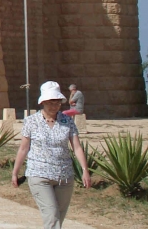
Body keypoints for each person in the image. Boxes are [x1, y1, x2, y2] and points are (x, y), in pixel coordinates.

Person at [12, 81, 92, 229]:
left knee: (57, 218)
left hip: (64, 176)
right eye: (51, 102)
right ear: (43, 102)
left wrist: (85, 171)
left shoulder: (67, 121)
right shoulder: (31, 121)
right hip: (39, 175)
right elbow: (23, 149)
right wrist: (15, 172)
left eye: (57, 102)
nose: (54, 105)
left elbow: (77, 147)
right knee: (51, 215)